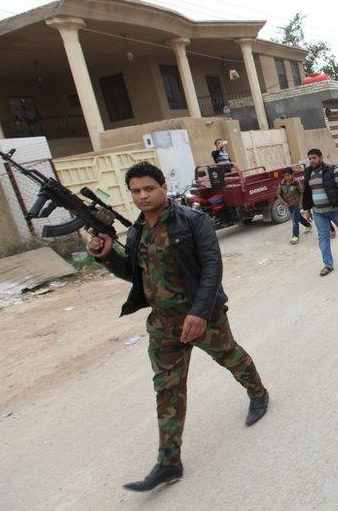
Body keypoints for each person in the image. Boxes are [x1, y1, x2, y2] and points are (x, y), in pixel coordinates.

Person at [87, 162, 268, 492]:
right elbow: (135, 274)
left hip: (202, 316)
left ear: (162, 188)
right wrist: (106, 256)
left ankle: (258, 393)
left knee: (230, 356)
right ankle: (169, 463)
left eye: (149, 189)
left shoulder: (192, 220)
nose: (143, 196)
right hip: (163, 325)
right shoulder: (138, 230)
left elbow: (212, 266)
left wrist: (199, 313)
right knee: (167, 391)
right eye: (136, 191)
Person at [302, 148, 338, 277]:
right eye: (309, 158)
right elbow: (307, 193)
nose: (311, 161)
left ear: (320, 158)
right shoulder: (308, 172)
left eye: (314, 158)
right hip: (318, 212)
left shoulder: (332, 169)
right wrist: (308, 210)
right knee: (323, 236)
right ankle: (328, 264)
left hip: (334, 209)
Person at [278, 167, 311, 244]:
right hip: (288, 205)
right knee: (298, 217)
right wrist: (283, 202)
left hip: (296, 204)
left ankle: (295, 236)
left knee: (294, 220)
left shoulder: (296, 182)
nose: (287, 177)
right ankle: (308, 225)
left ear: (292, 175)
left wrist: (300, 204)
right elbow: (278, 194)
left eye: (288, 175)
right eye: (285, 176)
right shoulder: (282, 183)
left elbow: (302, 192)